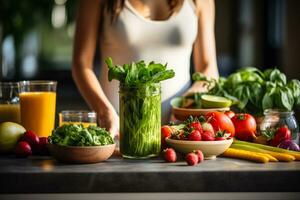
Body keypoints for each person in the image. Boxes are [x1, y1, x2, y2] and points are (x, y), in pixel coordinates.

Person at [72, 0, 219, 137]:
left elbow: (209, 68)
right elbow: (81, 63)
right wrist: (105, 112)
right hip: (118, 133)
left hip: (179, 133)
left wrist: (185, 103)